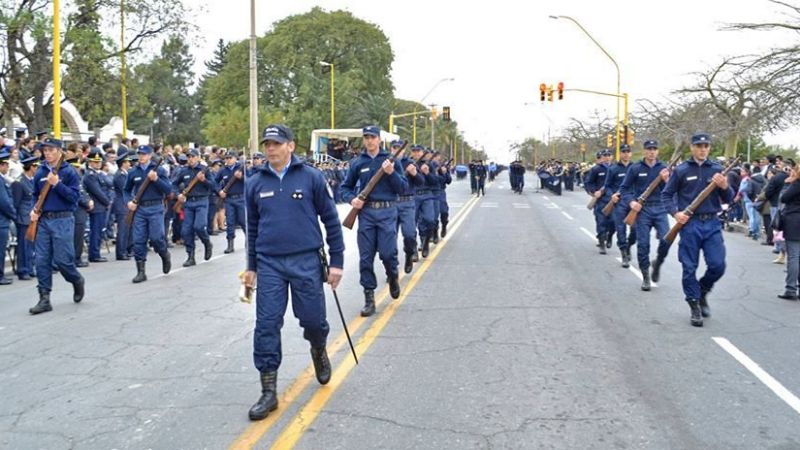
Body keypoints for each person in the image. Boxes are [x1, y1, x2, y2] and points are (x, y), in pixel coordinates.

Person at [242, 124, 344, 421]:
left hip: (306, 262)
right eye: (267, 144)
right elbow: (253, 229)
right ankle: (268, 391)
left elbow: (331, 221)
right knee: (267, 324)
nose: (270, 148)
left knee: (313, 320)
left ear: (291, 145)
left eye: (276, 143)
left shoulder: (311, 177)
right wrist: (251, 267)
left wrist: (336, 262)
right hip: (270, 263)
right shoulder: (255, 182)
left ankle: (318, 348)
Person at [660, 133, 734, 327]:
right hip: (690, 224)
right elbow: (666, 195)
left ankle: (702, 290)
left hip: (712, 223)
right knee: (689, 267)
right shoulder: (682, 170)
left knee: (718, 265)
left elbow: (729, 198)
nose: (702, 149)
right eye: (699, 145)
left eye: (706, 146)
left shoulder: (718, 170)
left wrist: (725, 186)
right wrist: (675, 214)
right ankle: (694, 304)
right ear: (692, 148)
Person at [340, 126, 407, 317]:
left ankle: (392, 276)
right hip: (366, 214)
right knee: (365, 259)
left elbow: (402, 188)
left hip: (387, 212)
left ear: (379, 139)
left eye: (373, 137)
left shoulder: (390, 160)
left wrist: (391, 172)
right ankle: (369, 298)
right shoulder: (357, 163)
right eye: (366, 137)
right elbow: (344, 188)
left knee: (388, 254)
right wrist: (353, 199)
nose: (369, 141)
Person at [28, 139, 86, 314]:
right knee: (42, 260)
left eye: (51, 149)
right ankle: (44, 298)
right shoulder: (40, 172)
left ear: (59, 151)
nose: (47, 153)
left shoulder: (69, 172)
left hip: (63, 219)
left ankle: (76, 280)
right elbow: (35, 195)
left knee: (62, 260)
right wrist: (33, 210)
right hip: (44, 220)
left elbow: (74, 198)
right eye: (45, 150)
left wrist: (57, 184)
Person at [621, 140, 671, 291]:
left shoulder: (664, 168)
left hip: (660, 208)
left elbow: (671, 190)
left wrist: (667, 180)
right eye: (649, 149)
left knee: (667, 239)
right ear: (644, 151)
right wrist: (631, 203)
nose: (652, 152)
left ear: (658, 151)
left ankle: (658, 263)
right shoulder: (635, 168)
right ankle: (645, 276)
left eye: (655, 149)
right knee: (643, 245)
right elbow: (624, 189)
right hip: (643, 210)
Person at [125, 145, 172, 283]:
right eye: (139, 154)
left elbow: (168, 189)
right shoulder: (133, 172)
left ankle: (164, 255)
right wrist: (128, 202)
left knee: (157, 238)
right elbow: (126, 190)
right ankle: (141, 271)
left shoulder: (160, 170)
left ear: (150, 155)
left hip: (156, 207)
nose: (141, 156)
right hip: (140, 209)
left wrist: (156, 179)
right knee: (138, 240)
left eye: (144, 154)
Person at [173, 148, 217, 266]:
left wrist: (204, 180)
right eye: (189, 157)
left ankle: (207, 243)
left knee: (199, 226)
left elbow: (213, 186)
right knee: (186, 230)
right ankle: (190, 256)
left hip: (202, 201)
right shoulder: (183, 171)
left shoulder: (204, 170)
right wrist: (178, 195)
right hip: (188, 203)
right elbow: (174, 184)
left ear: (197, 157)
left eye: (192, 157)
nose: (190, 159)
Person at [393, 140, 423, 273]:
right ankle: (392, 268)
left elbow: (421, 182)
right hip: (391, 203)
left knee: (410, 234)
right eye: (394, 148)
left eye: (399, 148)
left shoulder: (409, 163)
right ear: (391, 149)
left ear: (404, 150)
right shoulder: (386, 163)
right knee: (389, 238)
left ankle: (409, 254)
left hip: (407, 202)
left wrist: (415, 173)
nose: (397, 150)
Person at [604, 144, 636, 268]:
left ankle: (629, 245)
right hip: (619, 202)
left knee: (636, 230)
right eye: (624, 151)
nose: (626, 154)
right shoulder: (613, 169)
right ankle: (623, 253)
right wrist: (612, 195)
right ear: (620, 153)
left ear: (631, 153)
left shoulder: (636, 167)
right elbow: (607, 186)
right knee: (621, 229)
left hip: (633, 201)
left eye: (628, 151)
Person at [11, 152, 37, 280]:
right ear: (31, 167)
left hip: (32, 217)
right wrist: (17, 219)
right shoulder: (19, 182)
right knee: (23, 245)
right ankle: (23, 269)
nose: (37, 169)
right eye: (35, 166)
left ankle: (30, 267)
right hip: (23, 218)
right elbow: (16, 203)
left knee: (31, 245)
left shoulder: (32, 181)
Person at [83, 149, 112, 263]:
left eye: (99, 162)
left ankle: (96, 252)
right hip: (97, 206)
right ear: (90, 162)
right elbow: (97, 191)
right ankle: (94, 254)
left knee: (99, 230)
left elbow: (107, 185)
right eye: (95, 162)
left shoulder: (97, 174)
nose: (98, 164)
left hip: (101, 205)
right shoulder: (90, 175)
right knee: (96, 231)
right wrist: (107, 202)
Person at [777, 163, 800, 300]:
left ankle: (790, 288)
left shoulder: (796, 184)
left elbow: (784, 198)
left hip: (794, 220)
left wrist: (788, 184)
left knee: (794, 256)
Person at [216, 151, 246, 254]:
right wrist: (219, 191)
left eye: (230, 158)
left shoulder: (242, 168)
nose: (228, 160)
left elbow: (251, 181)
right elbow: (215, 182)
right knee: (230, 222)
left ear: (235, 158)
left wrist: (241, 177)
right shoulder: (223, 170)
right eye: (226, 158)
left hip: (241, 197)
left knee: (243, 221)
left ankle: (249, 241)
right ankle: (230, 244)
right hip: (229, 199)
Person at [585, 150, 614, 253]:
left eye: (609, 155)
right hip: (601, 200)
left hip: (614, 200)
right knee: (601, 221)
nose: (607, 157)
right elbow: (589, 182)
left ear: (612, 157)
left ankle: (609, 236)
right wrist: (594, 192)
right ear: (602, 157)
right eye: (605, 155)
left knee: (613, 222)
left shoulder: (616, 168)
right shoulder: (596, 169)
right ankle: (602, 243)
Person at [112, 150, 132, 260]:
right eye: (127, 162)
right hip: (122, 205)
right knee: (123, 230)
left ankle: (125, 250)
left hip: (125, 204)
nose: (129, 164)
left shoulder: (125, 174)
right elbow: (125, 190)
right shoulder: (120, 176)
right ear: (123, 163)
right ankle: (121, 252)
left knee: (127, 229)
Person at [0, 150, 16, 284]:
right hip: (1, 221)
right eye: (6, 165)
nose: (8, 168)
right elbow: (4, 202)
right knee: (0, 249)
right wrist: (14, 215)